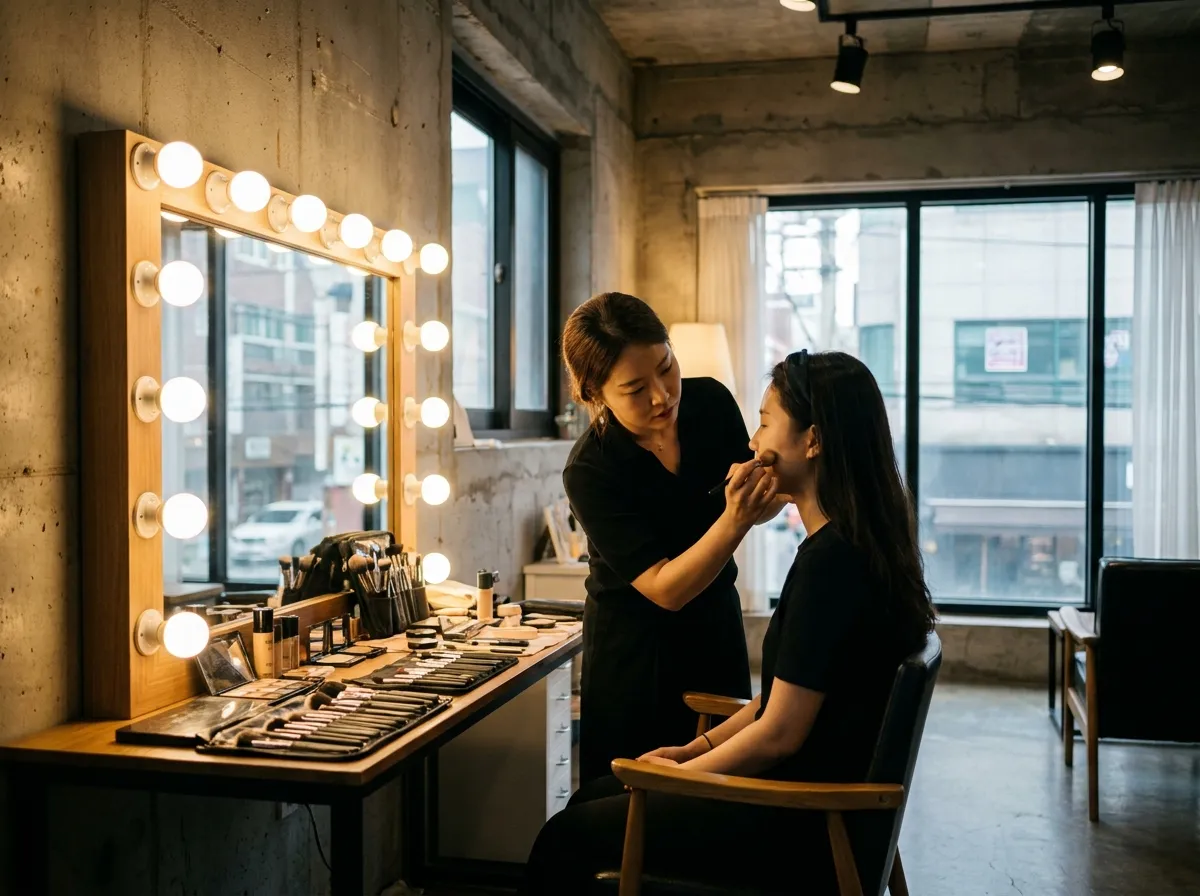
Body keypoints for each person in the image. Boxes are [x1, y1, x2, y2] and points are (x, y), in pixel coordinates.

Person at [523, 349, 937, 895]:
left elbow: (779, 734)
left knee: (563, 838)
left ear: (812, 441)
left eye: (765, 424)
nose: (751, 444)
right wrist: (692, 752)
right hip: (807, 798)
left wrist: (671, 780)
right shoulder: (854, 546)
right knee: (589, 798)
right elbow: (776, 707)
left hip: (795, 820)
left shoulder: (831, 567)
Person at [560, 292, 785, 784]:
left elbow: (753, 502)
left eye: (667, 367)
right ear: (594, 393)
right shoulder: (591, 469)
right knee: (629, 806)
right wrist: (736, 519)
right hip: (635, 654)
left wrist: (770, 494)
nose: (662, 395)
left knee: (725, 793)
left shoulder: (710, 402)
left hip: (715, 629)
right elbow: (665, 588)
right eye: (635, 388)